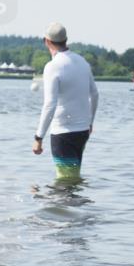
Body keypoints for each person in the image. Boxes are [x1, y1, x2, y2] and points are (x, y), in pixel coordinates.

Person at [32, 23, 99, 180]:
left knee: (65, 181)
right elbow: (95, 94)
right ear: (65, 40)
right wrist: (90, 123)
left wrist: (38, 137)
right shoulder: (82, 62)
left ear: (46, 41)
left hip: (63, 133)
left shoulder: (52, 66)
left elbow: (50, 104)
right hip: (82, 131)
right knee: (73, 178)